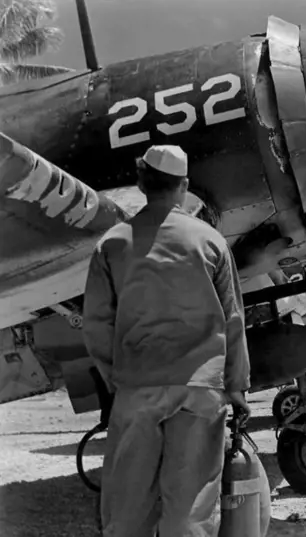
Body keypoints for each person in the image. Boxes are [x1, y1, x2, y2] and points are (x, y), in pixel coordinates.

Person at [82, 145, 252, 537]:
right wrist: (237, 386)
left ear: (142, 184)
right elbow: (234, 319)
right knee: (190, 511)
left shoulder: (112, 244)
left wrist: (117, 379)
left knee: (126, 509)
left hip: (137, 386)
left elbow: (96, 324)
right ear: (184, 186)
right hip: (200, 388)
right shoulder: (210, 241)